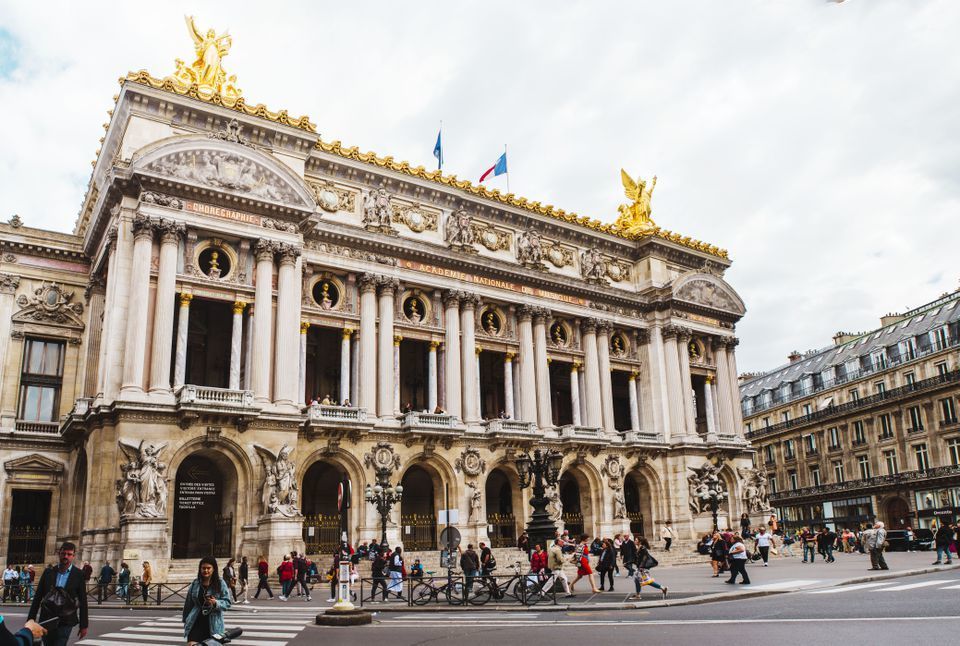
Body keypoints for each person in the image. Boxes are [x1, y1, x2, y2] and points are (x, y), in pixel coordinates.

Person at [28, 541, 89, 645]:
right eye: (63, 553)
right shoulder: (48, 572)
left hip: (66, 620)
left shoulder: (78, 574)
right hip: (47, 618)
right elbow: (38, 597)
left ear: (73, 556)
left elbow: (83, 600)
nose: (66, 556)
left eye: (69, 554)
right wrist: (30, 620)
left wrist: (84, 625)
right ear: (59, 554)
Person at [182, 556, 232, 646]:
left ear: (213, 569)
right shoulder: (196, 583)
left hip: (213, 624)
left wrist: (216, 602)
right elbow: (189, 603)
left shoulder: (220, 583)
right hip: (195, 621)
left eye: (208, 568)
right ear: (200, 569)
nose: (206, 570)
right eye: (203, 568)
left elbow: (227, 602)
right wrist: (186, 620)